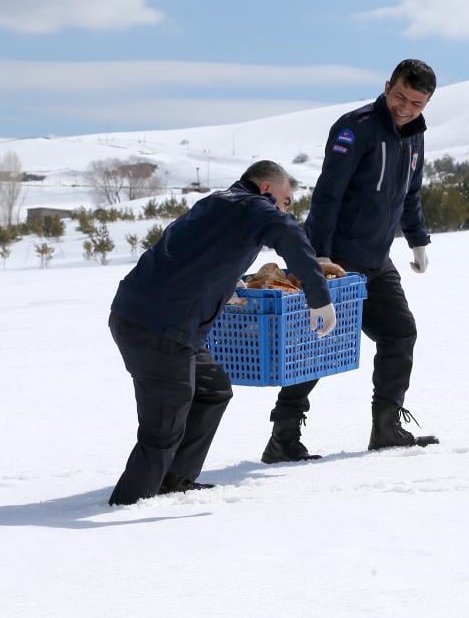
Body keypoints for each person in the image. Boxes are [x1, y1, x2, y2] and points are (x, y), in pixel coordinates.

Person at [108, 160, 336, 505]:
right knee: (162, 429)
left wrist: (221, 286)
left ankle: (176, 480)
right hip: (160, 328)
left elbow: (190, 249)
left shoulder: (217, 203)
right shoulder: (256, 207)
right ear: (266, 189)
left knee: (213, 389)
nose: (286, 208)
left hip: (151, 318)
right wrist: (319, 298)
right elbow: (289, 234)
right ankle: (129, 506)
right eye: (286, 200)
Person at [261, 58, 440, 464]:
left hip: (377, 259)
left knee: (400, 334)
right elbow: (329, 194)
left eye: (417, 102)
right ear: (386, 86)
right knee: (317, 346)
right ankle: (283, 436)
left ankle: (386, 427)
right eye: (399, 97)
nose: (406, 108)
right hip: (337, 259)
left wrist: (417, 239)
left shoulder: (415, 134)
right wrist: (320, 255)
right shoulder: (354, 127)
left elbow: (410, 193)